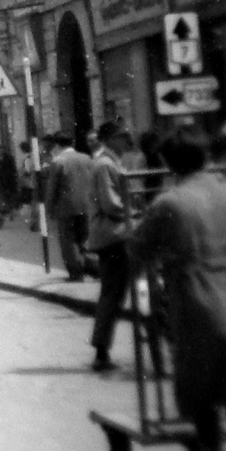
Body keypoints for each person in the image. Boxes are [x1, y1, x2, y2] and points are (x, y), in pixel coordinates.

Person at [130, 130, 226, 451]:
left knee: (203, 390)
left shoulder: (170, 202)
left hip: (199, 298)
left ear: (169, 165)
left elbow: (138, 249)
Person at [86, 122, 133, 372]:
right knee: (112, 294)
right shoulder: (105, 164)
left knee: (114, 293)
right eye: (122, 136)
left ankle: (102, 350)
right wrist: (136, 214)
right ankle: (101, 352)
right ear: (109, 139)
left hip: (115, 234)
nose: (127, 140)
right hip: (113, 235)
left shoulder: (112, 161)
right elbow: (111, 204)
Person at [46, 133, 94, 281]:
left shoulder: (58, 161)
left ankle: (76, 272)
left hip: (66, 206)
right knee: (85, 237)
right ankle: (92, 267)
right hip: (86, 204)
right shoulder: (86, 158)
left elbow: (52, 188)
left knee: (68, 240)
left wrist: (49, 208)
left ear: (57, 145)